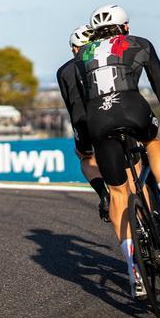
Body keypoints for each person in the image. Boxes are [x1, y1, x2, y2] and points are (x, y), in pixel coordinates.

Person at [73, 4, 160, 299]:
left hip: (98, 121)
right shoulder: (138, 43)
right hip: (132, 108)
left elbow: (78, 109)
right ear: (124, 27)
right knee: (153, 142)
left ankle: (133, 271)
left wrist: (86, 147)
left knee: (118, 194)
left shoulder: (80, 58)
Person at [56, 24, 111, 222]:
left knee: (85, 157)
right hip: (113, 112)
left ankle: (103, 194)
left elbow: (72, 106)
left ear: (76, 48)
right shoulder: (108, 59)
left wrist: (79, 138)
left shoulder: (64, 70)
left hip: (84, 120)